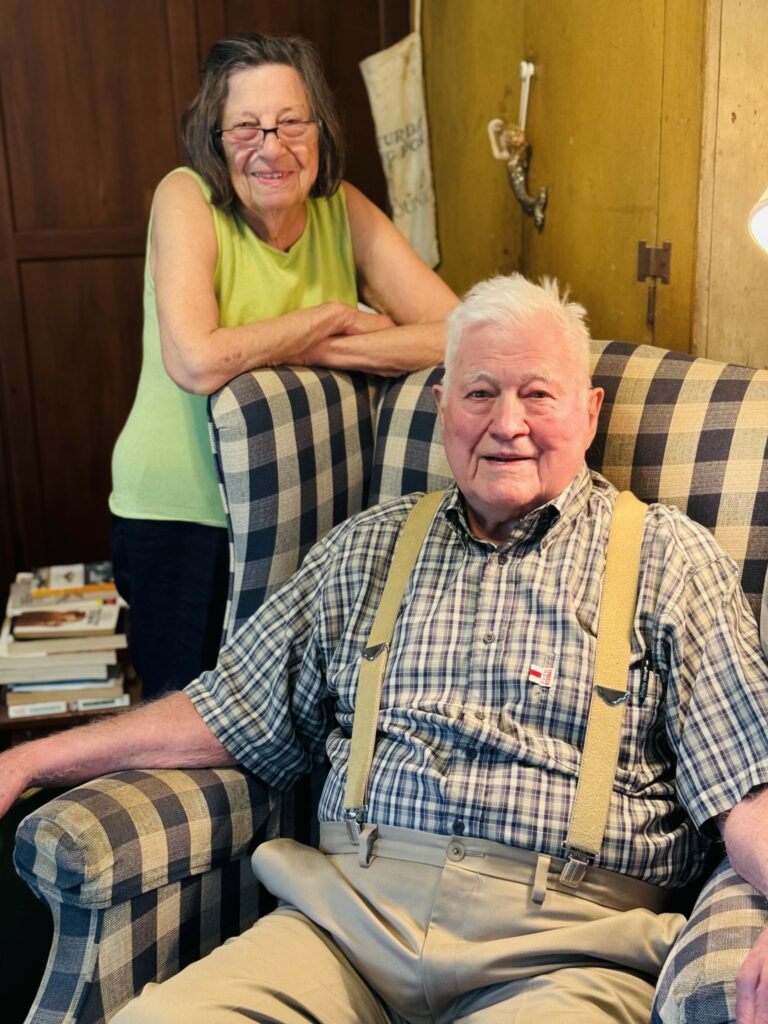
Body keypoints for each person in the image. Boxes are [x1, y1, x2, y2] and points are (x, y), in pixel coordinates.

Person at [3, 274, 768, 1023]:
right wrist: (31, 760)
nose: (507, 423)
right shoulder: (367, 549)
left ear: (589, 411)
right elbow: (229, 710)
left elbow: (746, 791)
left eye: (538, 394)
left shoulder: (669, 560)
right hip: (342, 935)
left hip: (567, 956)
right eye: (480, 392)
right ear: (443, 407)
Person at [109, 32, 458, 698]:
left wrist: (318, 351)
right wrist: (330, 315)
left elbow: (459, 331)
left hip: (303, 511)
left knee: (287, 718)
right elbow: (196, 360)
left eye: (292, 122)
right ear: (215, 138)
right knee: (186, 727)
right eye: (246, 127)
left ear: (320, 129)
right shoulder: (185, 197)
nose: (271, 147)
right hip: (183, 519)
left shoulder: (340, 207)